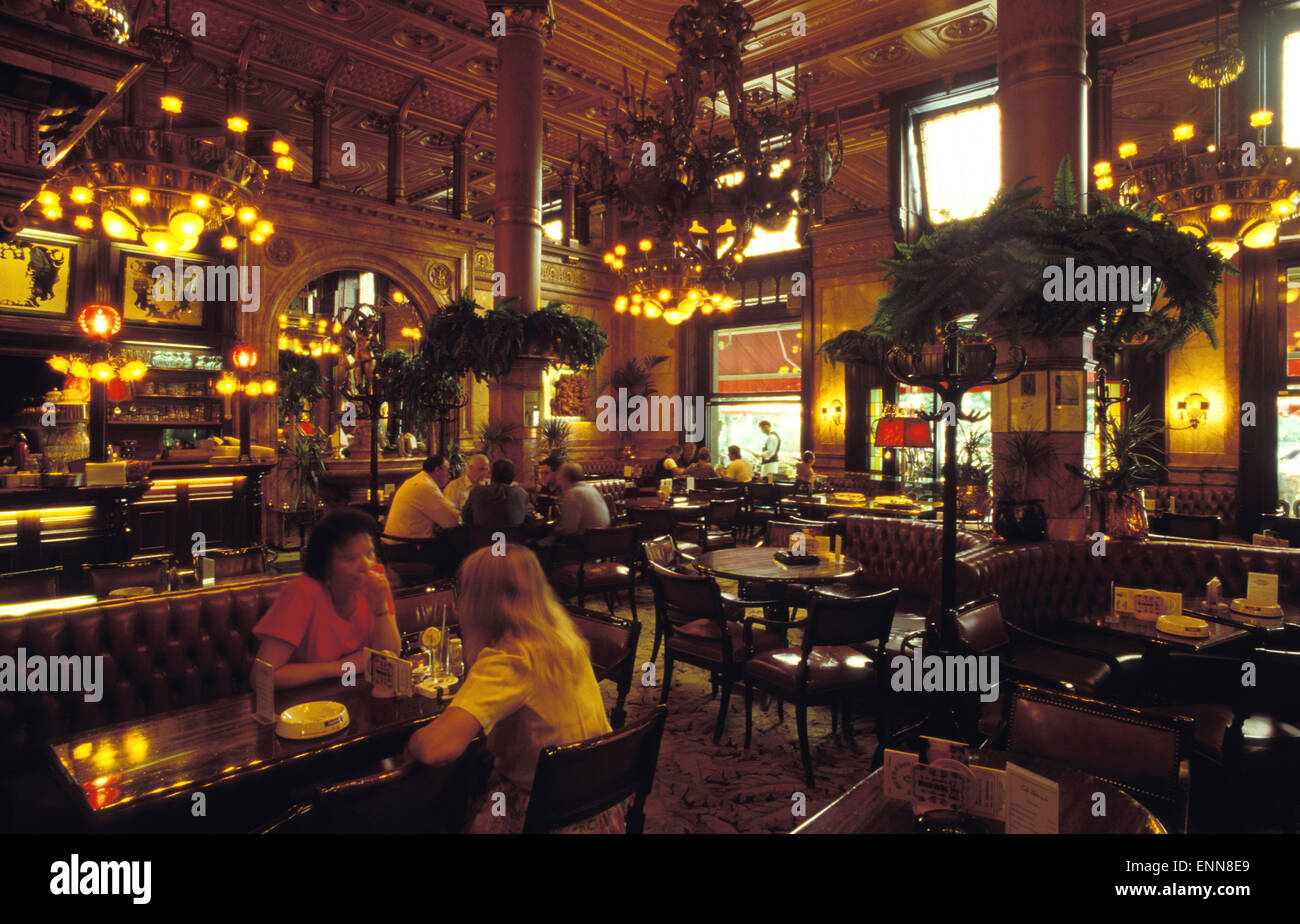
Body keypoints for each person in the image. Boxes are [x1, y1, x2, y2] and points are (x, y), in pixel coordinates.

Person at [404, 545, 619, 833]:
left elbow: (437, 749)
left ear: (480, 601)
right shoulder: (561, 638)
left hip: (547, 813)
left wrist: (409, 745)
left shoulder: (511, 657)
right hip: (600, 804)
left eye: (463, 591)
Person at [252, 508, 401, 689]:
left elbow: (389, 654)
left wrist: (380, 608)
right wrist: (341, 667)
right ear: (325, 566)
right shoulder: (302, 592)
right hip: (301, 704)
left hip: (352, 694)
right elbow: (263, 677)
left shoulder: (375, 580)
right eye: (350, 559)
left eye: (369, 553)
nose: (366, 565)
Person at [383, 454, 460, 541]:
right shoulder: (426, 486)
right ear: (437, 470)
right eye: (448, 471)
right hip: (406, 547)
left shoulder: (417, 480)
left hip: (395, 542)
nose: (449, 475)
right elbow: (451, 520)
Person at [463, 458, 532, 529]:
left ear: (492, 475)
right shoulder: (521, 493)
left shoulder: (477, 491)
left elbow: (465, 517)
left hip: (482, 539)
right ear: (513, 476)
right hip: (512, 539)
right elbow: (528, 518)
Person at [552, 462, 611, 538]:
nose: (558, 483)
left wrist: (553, 531)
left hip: (588, 543)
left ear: (566, 478)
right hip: (605, 539)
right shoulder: (591, 489)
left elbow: (569, 529)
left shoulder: (573, 493)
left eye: (559, 479)